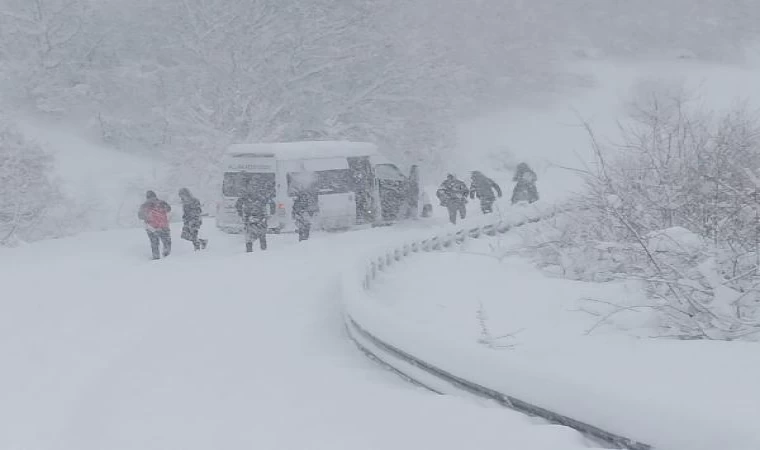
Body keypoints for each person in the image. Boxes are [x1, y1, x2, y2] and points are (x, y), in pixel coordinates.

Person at [235, 183, 274, 252]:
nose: (254, 189)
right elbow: (271, 203)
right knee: (260, 235)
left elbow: (238, 204)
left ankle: (253, 250)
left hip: (255, 217)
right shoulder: (261, 196)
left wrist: (240, 213)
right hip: (256, 217)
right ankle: (262, 250)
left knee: (252, 235)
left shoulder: (248, 196)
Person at [138, 190, 172, 260]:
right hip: (163, 226)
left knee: (154, 243)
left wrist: (147, 216)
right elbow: (169, 209)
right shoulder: (162, 203)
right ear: (155, 196)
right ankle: (167, 255)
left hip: (151, 228)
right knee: (166, 241)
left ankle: (156, 257)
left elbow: (140, 216)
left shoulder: (144, 205)